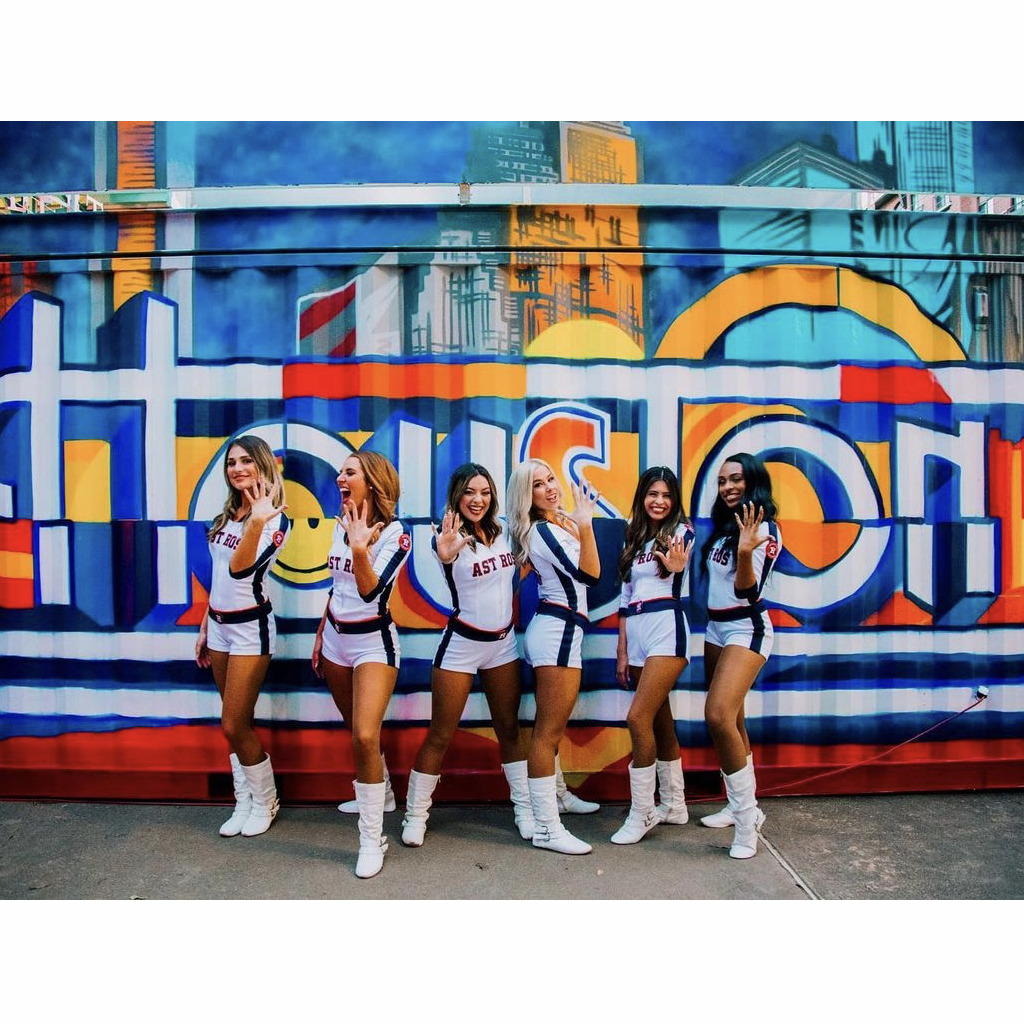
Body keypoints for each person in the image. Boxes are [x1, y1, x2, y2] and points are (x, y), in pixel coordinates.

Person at [401, 463, 532, 846]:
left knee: (508, 728)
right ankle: (415, 815)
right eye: (470, 492)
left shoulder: (505, 530)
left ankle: (525, 809)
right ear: (457, 496)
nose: (478, 500)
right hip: (461, 645)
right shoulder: (446, 536)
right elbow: (444, 556)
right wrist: (444, 553)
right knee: (441, 733)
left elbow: (516, 570)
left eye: (485, 492)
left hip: (502, 645)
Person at [311, 451, 410, 879]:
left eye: (349, 472)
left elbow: (370, 593)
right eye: (341, 471)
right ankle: (381, 791)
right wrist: (321, 631)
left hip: (374, 643)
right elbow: (339, 587)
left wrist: (360, 549)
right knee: (356, 730)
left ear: (371, 480)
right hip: (335, 640)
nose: (340, 477)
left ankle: (371, 839)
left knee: (365, 735)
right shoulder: (340, 522)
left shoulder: (397, 534)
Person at [195, 435, 289, 839]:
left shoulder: (274, 518)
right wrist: (205, 624)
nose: (237, 469)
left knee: (233, 723)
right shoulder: (227, 515)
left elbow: (239, 570)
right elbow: (218, 579)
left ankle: (266, 800)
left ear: (262, 466)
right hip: (218, 626)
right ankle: (244, 799)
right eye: (231, 462)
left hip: (251, 628)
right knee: (236, 721)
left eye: (246, 461)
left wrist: (255, 521)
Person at [507, 458, 601, 856]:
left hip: (562, 628)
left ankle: (558, 796)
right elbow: (590, 575)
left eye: (550, 479)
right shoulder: (545, 529)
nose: (549, 488)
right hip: (557, 629)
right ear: (526, 497)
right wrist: (586, 524)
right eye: (538, 485)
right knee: (546, 733)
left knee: (552, 727)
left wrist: (576, 522)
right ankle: (547, 827)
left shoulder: (555, 523)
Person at [700, 452, 782, 859]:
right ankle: (739, 807)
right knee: (733, 718)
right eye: (722, 482)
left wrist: (747, 552)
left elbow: (746, 591)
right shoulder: (723, 528)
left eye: (736, 480)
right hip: (715, 628)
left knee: (716, 715)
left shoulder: (764, 529)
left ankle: (748, 821)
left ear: (753, 482)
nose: (728, 487)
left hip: (746, 627)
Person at [612, 467, 694, 844]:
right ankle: (675, 805)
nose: (658, 501)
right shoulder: (635, 536)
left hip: (667, 628)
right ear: (642, 497)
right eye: (652, 494)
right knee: (660, 722)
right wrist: (623, 647)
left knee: (637, 718)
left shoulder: (681, 532)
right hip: (640, 632)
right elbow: (626, 599)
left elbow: (677, 566)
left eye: (666, 495)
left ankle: (642, 811)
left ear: (674, 499)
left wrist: (676, 566)